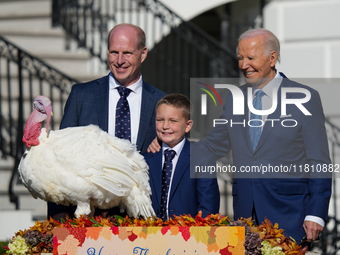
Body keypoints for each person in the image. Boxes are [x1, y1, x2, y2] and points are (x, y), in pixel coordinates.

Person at [148, 28, 332, 244]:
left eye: (251, 58)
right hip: (245, 218)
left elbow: (319, 161)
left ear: (272, 58)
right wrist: (171, 141)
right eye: (240, 58)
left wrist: (316, 213)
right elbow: (212, 146)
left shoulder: (305, 98)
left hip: (289, 216)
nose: (244, 65)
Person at [48, 23, 166, 220]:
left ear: (143, 54)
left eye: (127, 53)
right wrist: (57, 226)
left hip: (145, 222)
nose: (119, 61)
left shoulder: (162, 103)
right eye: (114, 52)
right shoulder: (81, 96)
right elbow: (59, 163)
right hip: (88, 221)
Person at [143, 94, 220, 220]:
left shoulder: (202, 159)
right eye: (160, 120)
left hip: (189, 236)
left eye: (173, 121)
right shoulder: (145, 159)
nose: (165, 126)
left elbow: (208, 208)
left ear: (188, 126)